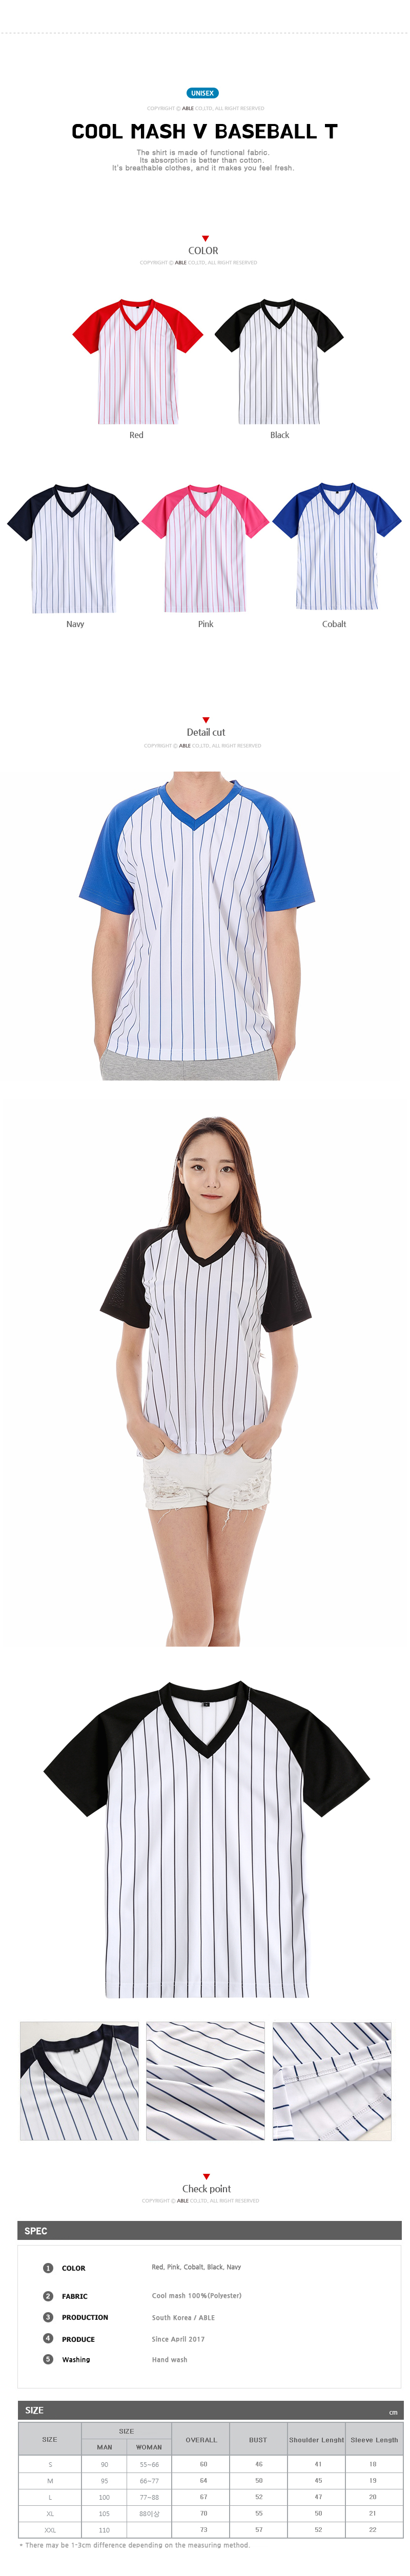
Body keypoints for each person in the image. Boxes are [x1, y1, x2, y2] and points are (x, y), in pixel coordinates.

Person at [101, 1116, 311, 1648]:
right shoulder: (150, 1250)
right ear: (180, 1172)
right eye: (198, 1166)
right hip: (169, 1454)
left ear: (244, 1176)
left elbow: (285, 1358)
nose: (211, 1180)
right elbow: (129, 1353)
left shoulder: (267, 1255)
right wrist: (135, 1422)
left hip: (242, 1457)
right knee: (194, 1625)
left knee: (225, 1620)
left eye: (226, 1168)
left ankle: (216, 1699)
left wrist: (272, 1426)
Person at [80, 769, 314, 1078]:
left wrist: (285, 1043)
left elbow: (283, 936)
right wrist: (103, 1039)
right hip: (136, 1050)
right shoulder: (126, 819)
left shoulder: (270, 818)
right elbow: (111, 934)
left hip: (243, 1048)